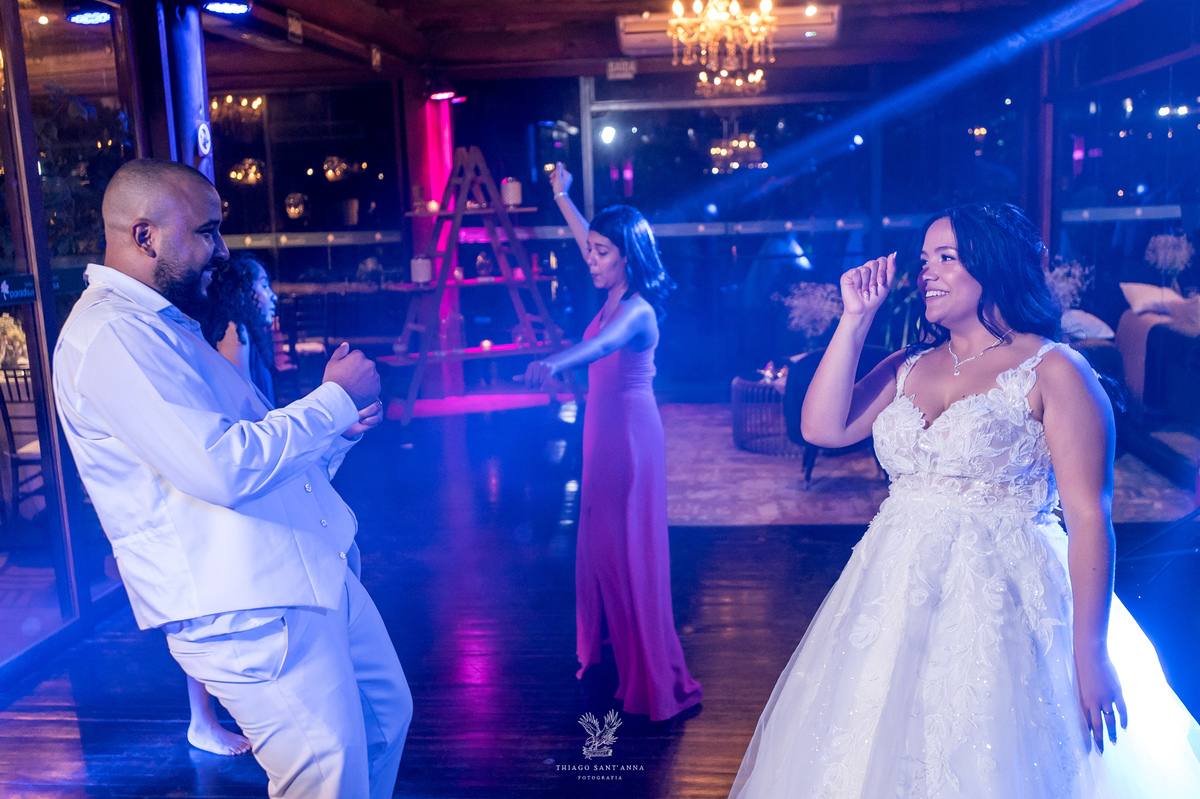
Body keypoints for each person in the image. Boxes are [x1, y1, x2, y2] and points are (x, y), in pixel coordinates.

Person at [730, 202, 1200, 797]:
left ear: (995, 264)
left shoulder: (1056, 369)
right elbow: (822, 428)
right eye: (925, 258)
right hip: (892, 591)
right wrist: (854, 320)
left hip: (1006, 600)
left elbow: (1088, 519)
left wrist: (1091, 653)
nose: (926, 271)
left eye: (946, 257)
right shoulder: (907, 364)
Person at [52, 159, 412, 798]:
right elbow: (220, 468)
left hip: (301, 573)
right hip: (248, 609)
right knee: (326, 781)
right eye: (207, 231)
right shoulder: (110, 333)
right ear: (145, 236)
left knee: (385, 724)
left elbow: (252, 458)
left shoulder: (164, 325)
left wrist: (336, 432)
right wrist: (331, 401)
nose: (222, 250)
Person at [521, 163, 703, 722]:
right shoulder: (611, 284)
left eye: (602, 252)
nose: (592, 259)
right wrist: (561, 196)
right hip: (600, 434)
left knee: (630, 552)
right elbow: (588, 237)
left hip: (629, 438)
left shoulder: (636, 311)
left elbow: (603, 347)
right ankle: (623, 656)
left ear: (627, 255)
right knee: (603, 548)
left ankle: (652, 674)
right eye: (592, 250)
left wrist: (556, 361)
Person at [169, 254, 279, 757]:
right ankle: (207, 719)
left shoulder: (235, 330)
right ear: (242, 292)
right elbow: (244, 419)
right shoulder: (236, 333)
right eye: (263, 286)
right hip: (231, 488)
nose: (272, 295)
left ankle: (210, 717)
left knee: (212, 606)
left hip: (226, 485)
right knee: (211, 606)